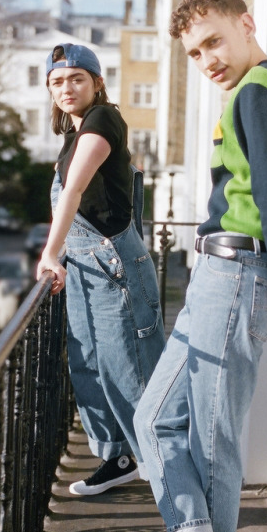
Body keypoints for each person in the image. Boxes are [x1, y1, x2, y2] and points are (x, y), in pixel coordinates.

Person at [119, 0, 267, 532]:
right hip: (215, 278)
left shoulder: (261, 90)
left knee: (211, 437)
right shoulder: (249, 91)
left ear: (246, 24)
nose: (207, 59)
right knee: (153, 418)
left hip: (237, 278)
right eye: (195, 53)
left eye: (213, 41)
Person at [37, 43, 165, 496]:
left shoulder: (102, 120)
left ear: (96, 82)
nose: (66, 88)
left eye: (76, 78)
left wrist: (50, 254)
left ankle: (167, 472)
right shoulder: (73, 134)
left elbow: (73, 193)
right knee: (89, 364)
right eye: (57, 81)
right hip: (86, 268)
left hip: (112, 267)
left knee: (128, 370)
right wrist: (66, 257)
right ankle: (119, 456)